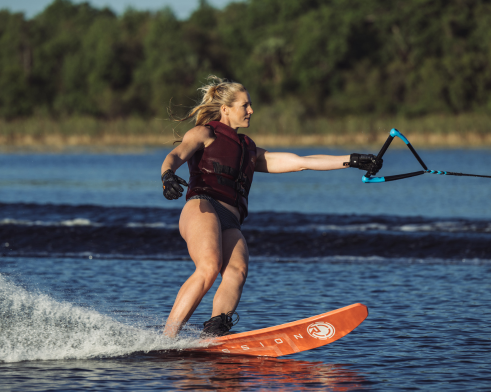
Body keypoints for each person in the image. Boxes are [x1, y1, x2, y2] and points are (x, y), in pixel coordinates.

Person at [160, 76, 381, 338]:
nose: (251, 110)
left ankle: (214, 334)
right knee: (209, 267)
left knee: (237, 271)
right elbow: (176, 155)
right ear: (226, 109)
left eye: (250, 105)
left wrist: (353, 160)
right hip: (202, 207)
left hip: (231, 220)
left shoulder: (249, 150)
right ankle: (167, 338)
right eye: (246, 105)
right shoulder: (205, 133)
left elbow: (301, 161)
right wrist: (167, 176)